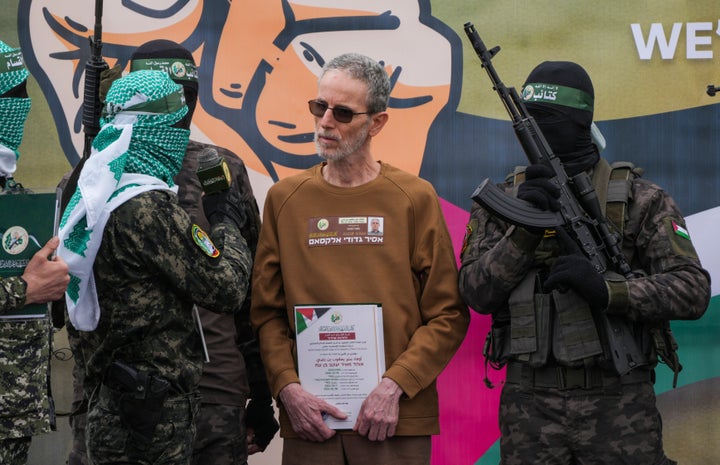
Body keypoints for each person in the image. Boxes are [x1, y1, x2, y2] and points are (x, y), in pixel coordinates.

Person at [458, 61, 711, 465]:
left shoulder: (641, 199)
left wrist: (611, 291)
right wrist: (521, 233)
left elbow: (692, 290)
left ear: (580, 122)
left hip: (619, 403)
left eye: (548, 119)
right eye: (529, 118)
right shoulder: (506, 199)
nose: (535, 128)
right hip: (530, 408)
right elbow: (476, 292)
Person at [250, 52, 470, 465]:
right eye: (319, 107)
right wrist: (287, 389)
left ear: (378, 122)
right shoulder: (285, 200)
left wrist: (395, 386)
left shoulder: (414, 197)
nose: (325, 122)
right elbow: (266, 314)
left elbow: (448, 314)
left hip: (394, 421)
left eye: (343, 112)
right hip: (311, 425)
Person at [58, 69, 253, 465]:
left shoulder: (93, 193)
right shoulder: (146, 207)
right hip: (149, 415)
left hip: (111, 402)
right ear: (161, 130)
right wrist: (224, 219)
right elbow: (227, 287)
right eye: (177, 124)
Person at [129, 39, 279, 465]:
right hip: (121, 397)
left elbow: (252, 292)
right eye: (164, 92)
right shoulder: (91, 176)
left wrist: (261, 394)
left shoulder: (220, 167)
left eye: (188, 94)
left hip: (212, 393)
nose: (180, 106)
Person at [0, 39, 70, 465]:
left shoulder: (15, 196)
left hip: (13, 413)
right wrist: (24, 288)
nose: (18, 107)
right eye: (9, 96)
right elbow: (24, 287)